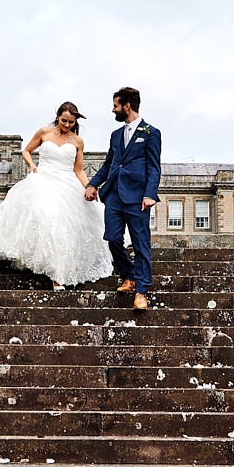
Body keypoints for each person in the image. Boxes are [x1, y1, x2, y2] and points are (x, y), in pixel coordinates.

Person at [0, 102, 113, 289]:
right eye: (64, 120)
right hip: (44, 180)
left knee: (67, 227)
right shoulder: (43, 132)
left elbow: (79, 170)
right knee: (48, 220)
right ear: (58, 116)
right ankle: (52, 271)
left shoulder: (77, 141)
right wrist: (32, 165)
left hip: (67, 184)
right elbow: (26, 151)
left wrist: (89, 187)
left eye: (71, 122)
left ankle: (60, 275)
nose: (67, 125)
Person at [84, 87, 160, 311]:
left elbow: (154, 168)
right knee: (113, 239)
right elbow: (109, 164)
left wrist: (149, 194)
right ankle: (129, 275)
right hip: (114, 195)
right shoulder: (116, 135)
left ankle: (141, 292)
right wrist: (92, 184)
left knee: (140, 244)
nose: (113, 109)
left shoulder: (151, 132)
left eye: (116, 105)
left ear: (127, 106)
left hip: (138, 198)